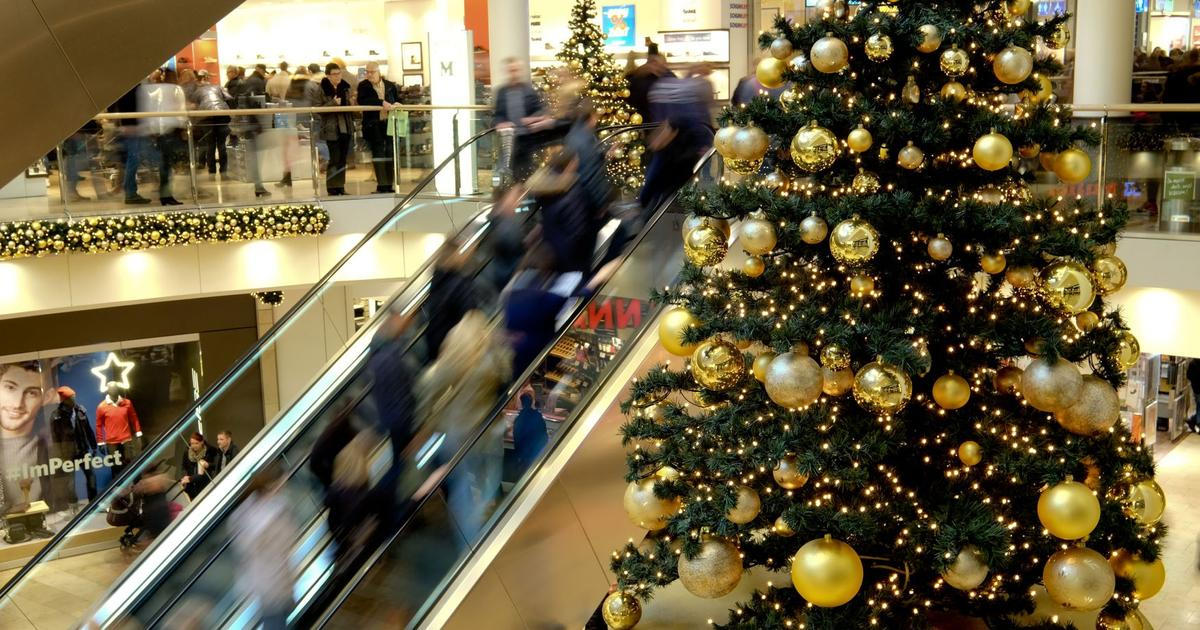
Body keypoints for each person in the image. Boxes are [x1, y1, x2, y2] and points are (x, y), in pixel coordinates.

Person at [231, 463, 299, 630]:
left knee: (273, 619)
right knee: (276, 621)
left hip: (259, 582)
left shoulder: (244, 511)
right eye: (282, 483)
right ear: (273, 485)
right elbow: (285, 546)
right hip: (275, 583)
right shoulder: (277, 512)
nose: (284, 487)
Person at [0, 362, 50, 512]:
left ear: (45, 399)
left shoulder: (50, 444)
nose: (17, 404)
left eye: (31, 393)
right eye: (10, 387)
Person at [492, 58, 549, 181]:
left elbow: (541, 110)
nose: (513, 73)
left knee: (526, 171)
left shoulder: (529, 90)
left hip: (527, 139)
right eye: (511, 70)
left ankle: (523, 188)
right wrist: (500, 123)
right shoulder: (502, 92)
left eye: (515, 70)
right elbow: (497, 115)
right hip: (509, 139)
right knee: (509, 171)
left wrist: (531, 119)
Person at [49, 386, 98, 507]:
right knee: (70, 482)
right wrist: (60, 455)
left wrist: (94, 446)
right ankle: (73, 505)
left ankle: (94, 503)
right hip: (67, 453)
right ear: (65, 400)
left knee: (91, 477)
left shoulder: (80, 411)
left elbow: (88, 430)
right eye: (71, 398)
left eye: (74, 397)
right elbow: (55, 438)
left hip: (83, 450)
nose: (74, 399)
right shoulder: (56, 416)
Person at [357, 61, 400, 194]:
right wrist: (381, 102)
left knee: (390, 154)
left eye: (372, 72)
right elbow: (363, 101)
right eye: (367, 72)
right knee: (378, 154)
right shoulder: (363, 86)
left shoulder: (390, 85)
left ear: (379, 72)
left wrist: (398, 104)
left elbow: (397, 99)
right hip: (373, 125)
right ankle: (382, 185)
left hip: (389, 124)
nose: (369, 74)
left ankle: (389, 184)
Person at [109, 81, 152, 204]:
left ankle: (128, 190)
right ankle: (130, 192)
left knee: (128, 162)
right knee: (132, 161)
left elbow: (112, 108)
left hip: (126, 127)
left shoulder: (122, 86)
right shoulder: (134, 87)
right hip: (133, 128)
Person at [320, 63, 354, 195]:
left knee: (342, 159)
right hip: (331, 128)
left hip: (346, 126)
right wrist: (333, 103)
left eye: (339, 73)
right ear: (328, 75)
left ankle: (340, 186)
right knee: (334, 158)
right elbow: (317, 109)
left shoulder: (345, 87)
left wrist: (352, 103)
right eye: (334, 74)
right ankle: (332, 187)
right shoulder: (322, 88)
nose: (338, 76)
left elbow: (350, 106)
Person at [96, 381, 142, 478]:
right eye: (112, 389)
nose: (114, 391)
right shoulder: (102, 407)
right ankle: (119, 486)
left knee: (132, 464)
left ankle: (136, 484)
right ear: (107, 391)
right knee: (116, 467)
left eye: (115, 389)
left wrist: (138, 433)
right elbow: (99, 425)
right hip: (112, 442)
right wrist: (100, 442)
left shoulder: (127, 403)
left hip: (126, 439)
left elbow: (134, 418)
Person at [192, 72, 233, 175]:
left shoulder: (197, 91)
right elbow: (229, 97)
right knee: (222, 144)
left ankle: (212, 170)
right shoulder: (218, 87)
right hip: (222, 115)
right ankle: (223, 169)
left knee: (210, 144)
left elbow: (194, 104)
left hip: (206, 117)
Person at [626, 52, 674, 122]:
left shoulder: (669, 77)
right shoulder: (639, 79)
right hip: (644, 121)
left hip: (660, 121)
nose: (663, 66)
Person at [512, 392, 548, 475]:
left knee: (524, 474)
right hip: (535, 451)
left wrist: (518, 452)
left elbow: (516, 437)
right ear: (531, 402)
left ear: (522, 403)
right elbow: (544, 434)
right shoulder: (537, 416)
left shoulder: (519, 418)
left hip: (524, 453)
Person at [179, 432, 216, 500]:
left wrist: (208, 465)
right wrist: (184, 476)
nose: (194, 446)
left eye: (196, 443)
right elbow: (184, 467)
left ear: (202, 442)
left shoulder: (209, 452)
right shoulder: (187, 452)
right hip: (191, 487)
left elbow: (212, 468)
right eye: (192, 443)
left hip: (204, 486)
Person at [1187, 358, 1200, 433]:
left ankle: (1193, 421)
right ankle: (1197, 423)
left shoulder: (1192, 363)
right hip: (1197, 388)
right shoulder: (1193, 363)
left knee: (1199, 405)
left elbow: (1188, 376)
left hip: (1196, 388)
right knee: (1199, 406)